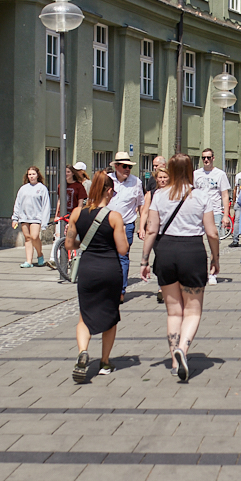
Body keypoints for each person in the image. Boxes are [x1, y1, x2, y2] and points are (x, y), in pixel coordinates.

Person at [140, 153, 220, 382]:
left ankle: (175, 363)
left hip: (165, 251)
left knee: (173, 311)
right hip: (192, 251)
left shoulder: (159, 195)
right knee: (193, 311)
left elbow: (152, 230)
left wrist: (144, 261)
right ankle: (182, 350)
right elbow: (212, 232)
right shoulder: (201, 196)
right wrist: (216, 258)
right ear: (190, 170)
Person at [65, 171, 130, 383]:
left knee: (85, 315)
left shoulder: (76, 213)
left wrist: (83, 244)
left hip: (87, 269)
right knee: (110, 315)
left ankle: (83, 351)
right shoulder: (114, 217)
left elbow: (69, 244)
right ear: (109, 191)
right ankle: (104, 361)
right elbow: (122, 249)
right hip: (109, 270)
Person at [109, 151, 144, 301]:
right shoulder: (107, 180)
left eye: (129, 166)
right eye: (124, 166)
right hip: (107, 225)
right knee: (109, 258)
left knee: (123, 257)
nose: (127, 169)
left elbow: (141, 205)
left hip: (126, 224)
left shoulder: (136, 182)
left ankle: (121, 291)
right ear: (116, 166)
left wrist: (142, 226)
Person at [194, 148, 230, 285]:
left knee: (213, 241)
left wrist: (225, 215)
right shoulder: (196, 174)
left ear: (213, 158)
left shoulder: (220, 174)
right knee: (197, 243)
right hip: (198, 212)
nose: (206, 160)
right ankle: (200, 272)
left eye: (208, 157)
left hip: (214, 211)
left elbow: (225, 195)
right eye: (204, 158)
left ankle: (213, 271)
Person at [11, 166, 51, 268]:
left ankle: (40, 254)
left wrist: (44, 222)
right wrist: (15, 218)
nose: (31, 176)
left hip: (36, 217)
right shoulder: (23, 189)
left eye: (33, 174)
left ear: (37, 175)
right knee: (27, 238)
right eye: (29, 174)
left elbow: (46, 205)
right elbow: (18, 203)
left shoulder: (42, 188)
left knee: (34, 236)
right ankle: (28, 261)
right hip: (24, 217)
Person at [141, 164, 170, 303]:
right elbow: (145, 211)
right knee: (160, 257)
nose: (163, 180)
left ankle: (164, 287)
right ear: (156, 179)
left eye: (165, 177)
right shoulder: (151, 194)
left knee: (166, 258)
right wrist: (141, 227)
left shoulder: (173, 193)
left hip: (169, 231)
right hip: (155, 232)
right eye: (160, 178)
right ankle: (162, 286)